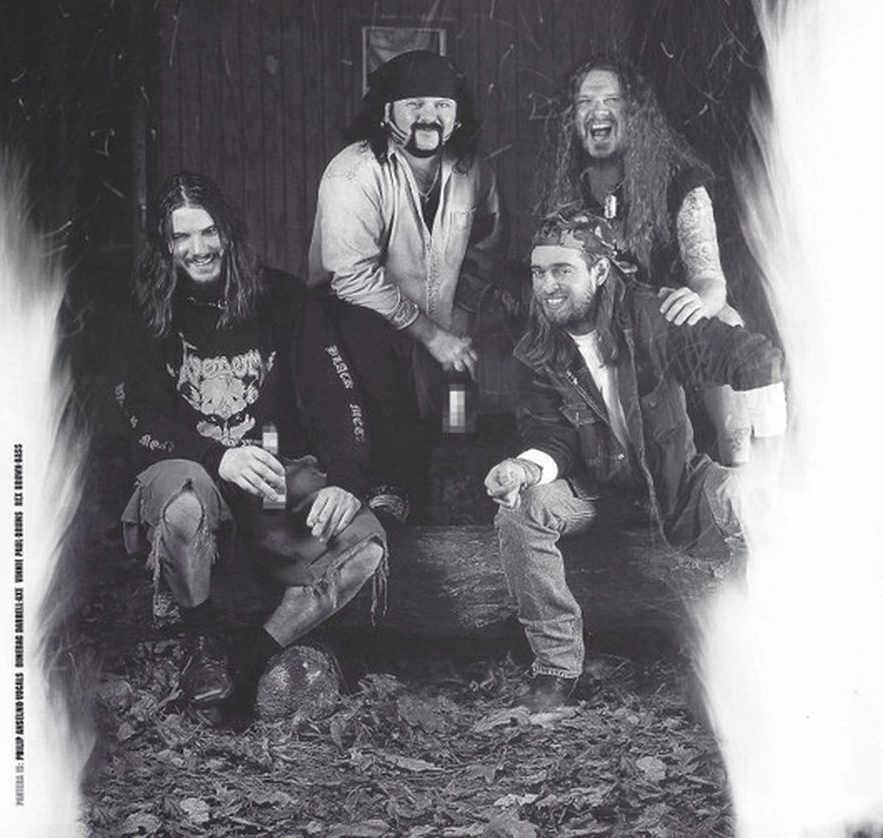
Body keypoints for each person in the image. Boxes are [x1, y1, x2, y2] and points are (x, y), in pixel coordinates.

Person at [484, 210, 786, 712]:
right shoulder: (536, 350)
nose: (547, 286)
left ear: (600, 270)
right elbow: (553, 440)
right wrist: (523, 469)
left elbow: (759, 360)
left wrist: (763, 470)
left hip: (676, 486)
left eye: (562, 270)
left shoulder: (653, 316)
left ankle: (739, 662)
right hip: (594, 493)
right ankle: (556, 670)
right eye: (538, 272)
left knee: (758, 506)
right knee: (521, 513)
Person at [114, 173, 386, 717]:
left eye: (208, 232)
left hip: (270, 472)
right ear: (165, 245)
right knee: (184, 501)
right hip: (189, 468)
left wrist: (348, 480)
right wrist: (219, 457)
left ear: (229, 232)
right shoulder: (146, 308)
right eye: (181, 237)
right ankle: (203, 640)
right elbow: (138, 416)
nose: (198, 249)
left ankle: (250, 657)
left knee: (366, 550)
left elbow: (336, 395)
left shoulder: (282, 297)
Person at [539, 56, 768, 466]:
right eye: (585, 102)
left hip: (665, 322)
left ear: (635, 112)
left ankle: (741, 468)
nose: (597, 110)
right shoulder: (567, 184)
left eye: (612, 100)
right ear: (572, 117)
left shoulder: (681, 183)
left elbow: (711, 280)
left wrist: (697, 303)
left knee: (728, 320)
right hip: (602, 325)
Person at [308, 50, 504, 518]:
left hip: (439, 321)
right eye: (414, 104)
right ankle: (393, 489)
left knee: (459, 402)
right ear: (386, 113)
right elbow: (351, 277)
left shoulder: (473, 170)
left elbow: (488, 246)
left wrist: (461, 317)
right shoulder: (353, 171)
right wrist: (432, 335)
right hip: (356, 321)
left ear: (457, 114)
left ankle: (455, 483)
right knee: (387, 412)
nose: (429, 116)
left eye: (441, 105)